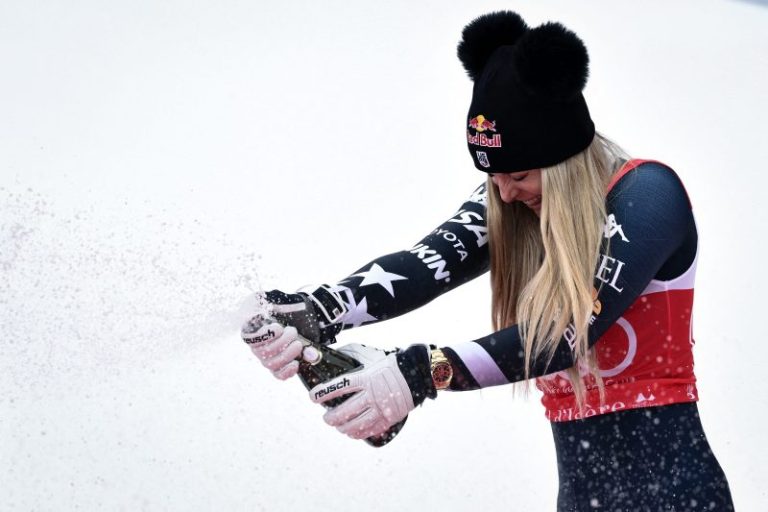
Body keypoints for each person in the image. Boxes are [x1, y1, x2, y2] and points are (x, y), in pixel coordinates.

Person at [242, 11, 735, 511]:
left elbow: (562, 338)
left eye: (518, 174)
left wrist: (422, 372)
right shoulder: (511, 203)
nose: (504, 193)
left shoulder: (648, 196)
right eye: (493, 177)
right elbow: (422, 267)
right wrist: (318, 309)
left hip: (679, 497)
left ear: (564, 162)